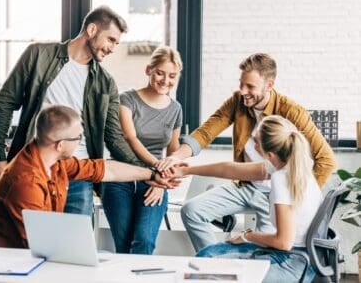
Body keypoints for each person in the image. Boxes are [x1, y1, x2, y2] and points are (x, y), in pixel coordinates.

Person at [157, 53, 336, 252]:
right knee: (191, 211)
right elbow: (207, 132)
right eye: (241, 84)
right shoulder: (237, 101)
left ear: (269, 85)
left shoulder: (292, 112)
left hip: (276, 196)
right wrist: (176, 157)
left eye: (250, 86)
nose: (243, 91)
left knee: (264, 252)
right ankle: (217, 264)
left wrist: (296, 201)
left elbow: (326, 160)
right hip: (245, 185)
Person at [0, 5, 142, 217]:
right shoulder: (38, 56)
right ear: (91, 30)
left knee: (75, 244)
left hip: (79, 175)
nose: (113, 48)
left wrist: (144, 171)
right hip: (35, 169)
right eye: (111, 40)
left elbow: (114, 137)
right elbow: (5, 102)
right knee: (30, 242)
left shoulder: (106, 84)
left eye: (116, 43)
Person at [0, 105, 178, 249]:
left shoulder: (55, 162)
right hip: (22, 265)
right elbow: (40, 245)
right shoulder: (26, 181)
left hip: (41, 253)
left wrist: (152, 175)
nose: (81, 141)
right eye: (78, 137)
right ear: (60, 145)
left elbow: (105, 170)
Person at [169, 115, 322, 282]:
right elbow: (229, 170)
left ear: (270, 154)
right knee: (208, 254)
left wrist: (248, 235)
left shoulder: (281, 178)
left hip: (294, 263)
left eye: (256, 141)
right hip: (304, 255)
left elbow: (283, 242)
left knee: (208, 267)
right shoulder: (296, 164)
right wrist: (186, 171)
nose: (253, 145)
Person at [101, 46, 183, 254]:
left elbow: (173, 152)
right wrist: (155, 170)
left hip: (156, 182)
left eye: (172, 76)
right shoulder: (127, 99)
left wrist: (161, 183)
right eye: (160, 73)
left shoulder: (176, 109)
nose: (166, 80)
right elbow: (130, 138)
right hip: (120, 179)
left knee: (144, 241)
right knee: (124, 243)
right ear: (148, 70)